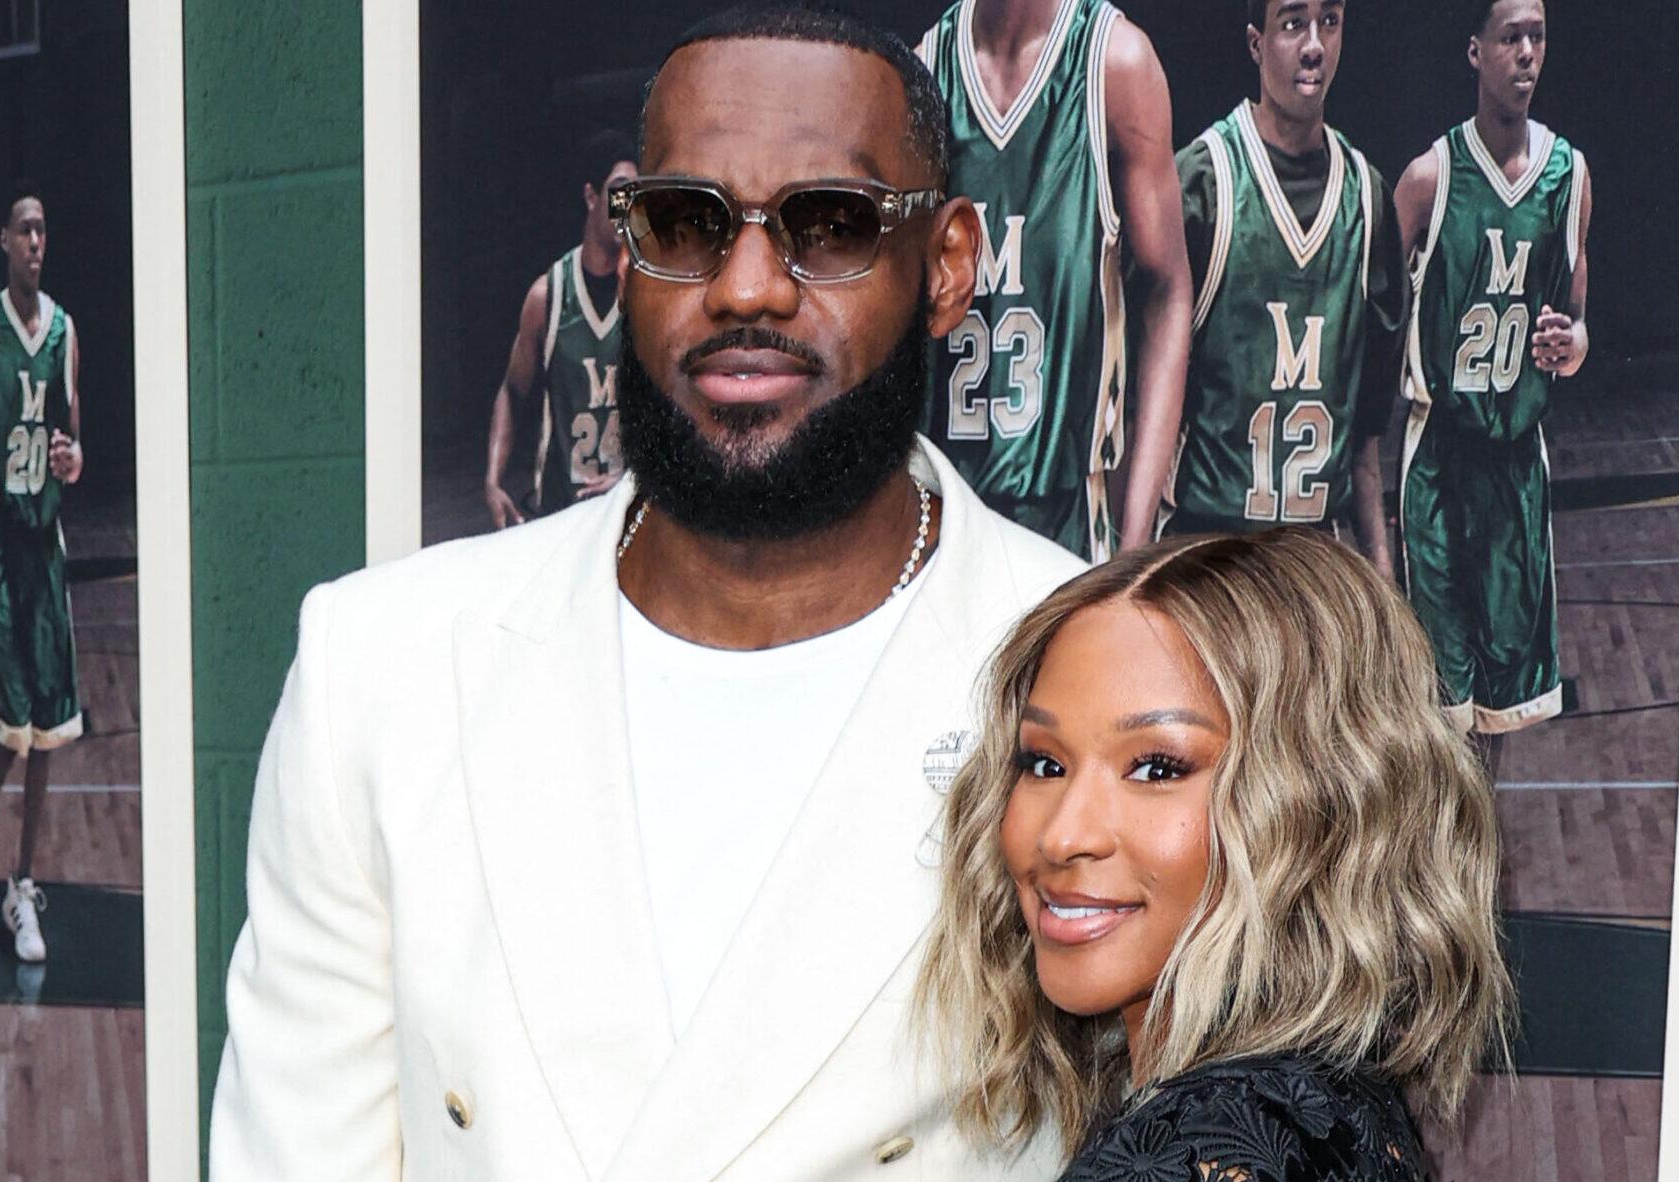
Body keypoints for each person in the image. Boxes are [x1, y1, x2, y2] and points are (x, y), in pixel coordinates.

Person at [209, 7, 1081, 1178]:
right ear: (625, 252)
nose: (748, 287)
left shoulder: (1093, 669)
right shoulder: (383, 671)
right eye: (686, 222)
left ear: (949, 264)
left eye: (829, 226)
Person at [917, 528, 1511, 1180]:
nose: (1062, 836)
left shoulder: (1191, 1148)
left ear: (1317, 806)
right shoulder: (1323, 1105)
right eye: (1044, 762)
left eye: (1156, 769)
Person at [915, 0, 1193, 561]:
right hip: (943, 516)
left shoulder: (1114, 63)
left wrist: (1134, 540)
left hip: (1067, 520)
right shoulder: (926, 69)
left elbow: (1169, 292)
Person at [1393, 0, 1592, 739]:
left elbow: (1578, 322)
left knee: (1504, 709)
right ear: (1475, 51)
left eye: (1538, 36)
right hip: (1441, 458)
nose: (1528, 53)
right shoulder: (1428, 178)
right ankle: (1442, 852)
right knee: (1440, 708)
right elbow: (1377, 309)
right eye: (1511, 37)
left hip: (1516, 463)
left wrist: (1569, 345)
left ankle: (1478, 852)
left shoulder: (1569, 175)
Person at [1156, 0, 1404, 571]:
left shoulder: (1367, 200)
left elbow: (1365, 442)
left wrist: (1384, 578)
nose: (1314, 44)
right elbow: (1142, 405)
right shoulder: (1202, 181)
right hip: (1206, 554)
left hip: (1315, 559)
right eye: (1293, 24)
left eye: (1331, 22)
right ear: (1255, 43)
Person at [0, 180, 84, 964]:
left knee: (44, 735)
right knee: (11, 724)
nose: (36, 243)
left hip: (47, 550)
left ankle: (23, 885)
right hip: (0, 547)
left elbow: (76, 438)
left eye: (44, 231)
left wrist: (75, 459)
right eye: (25, 231)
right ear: (3, 241)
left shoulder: (69, 332)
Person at [483, 130, 637, 529]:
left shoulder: (646, 292)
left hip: (626, 513)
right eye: (619, 194)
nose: (627, 209)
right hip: (559, 514)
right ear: (591, 197)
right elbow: (512, 391)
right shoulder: (548, 296)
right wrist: (493, 480)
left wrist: (636, 476)